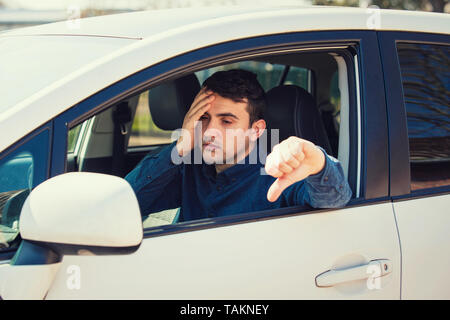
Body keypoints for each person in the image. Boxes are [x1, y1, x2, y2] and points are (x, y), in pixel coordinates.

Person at [125, 69, 352, 222]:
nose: (210, 131)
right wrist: (180, 147)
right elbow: (126, 206)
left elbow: (334, 200)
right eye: (203, 118)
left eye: (226, 121)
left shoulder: (279, 175)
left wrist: (319, 162)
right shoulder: (188, 168)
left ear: (256, 129)